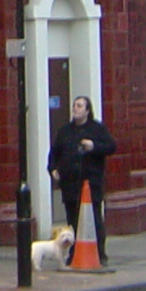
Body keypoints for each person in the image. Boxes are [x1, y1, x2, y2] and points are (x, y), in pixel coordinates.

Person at [49, 95, 119, 259]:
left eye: (79, 106)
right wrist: (53, 169)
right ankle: (74, 255)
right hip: (70, 185)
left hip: (90, 183)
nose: (75, 109)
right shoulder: (65, 131)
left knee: (93, 220)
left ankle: (99, 254)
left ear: (88, 110)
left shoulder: (97, 129)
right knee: (73, 221)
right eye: (74, 105)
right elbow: (55, 152)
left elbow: (111, 146)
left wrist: (93, 146)